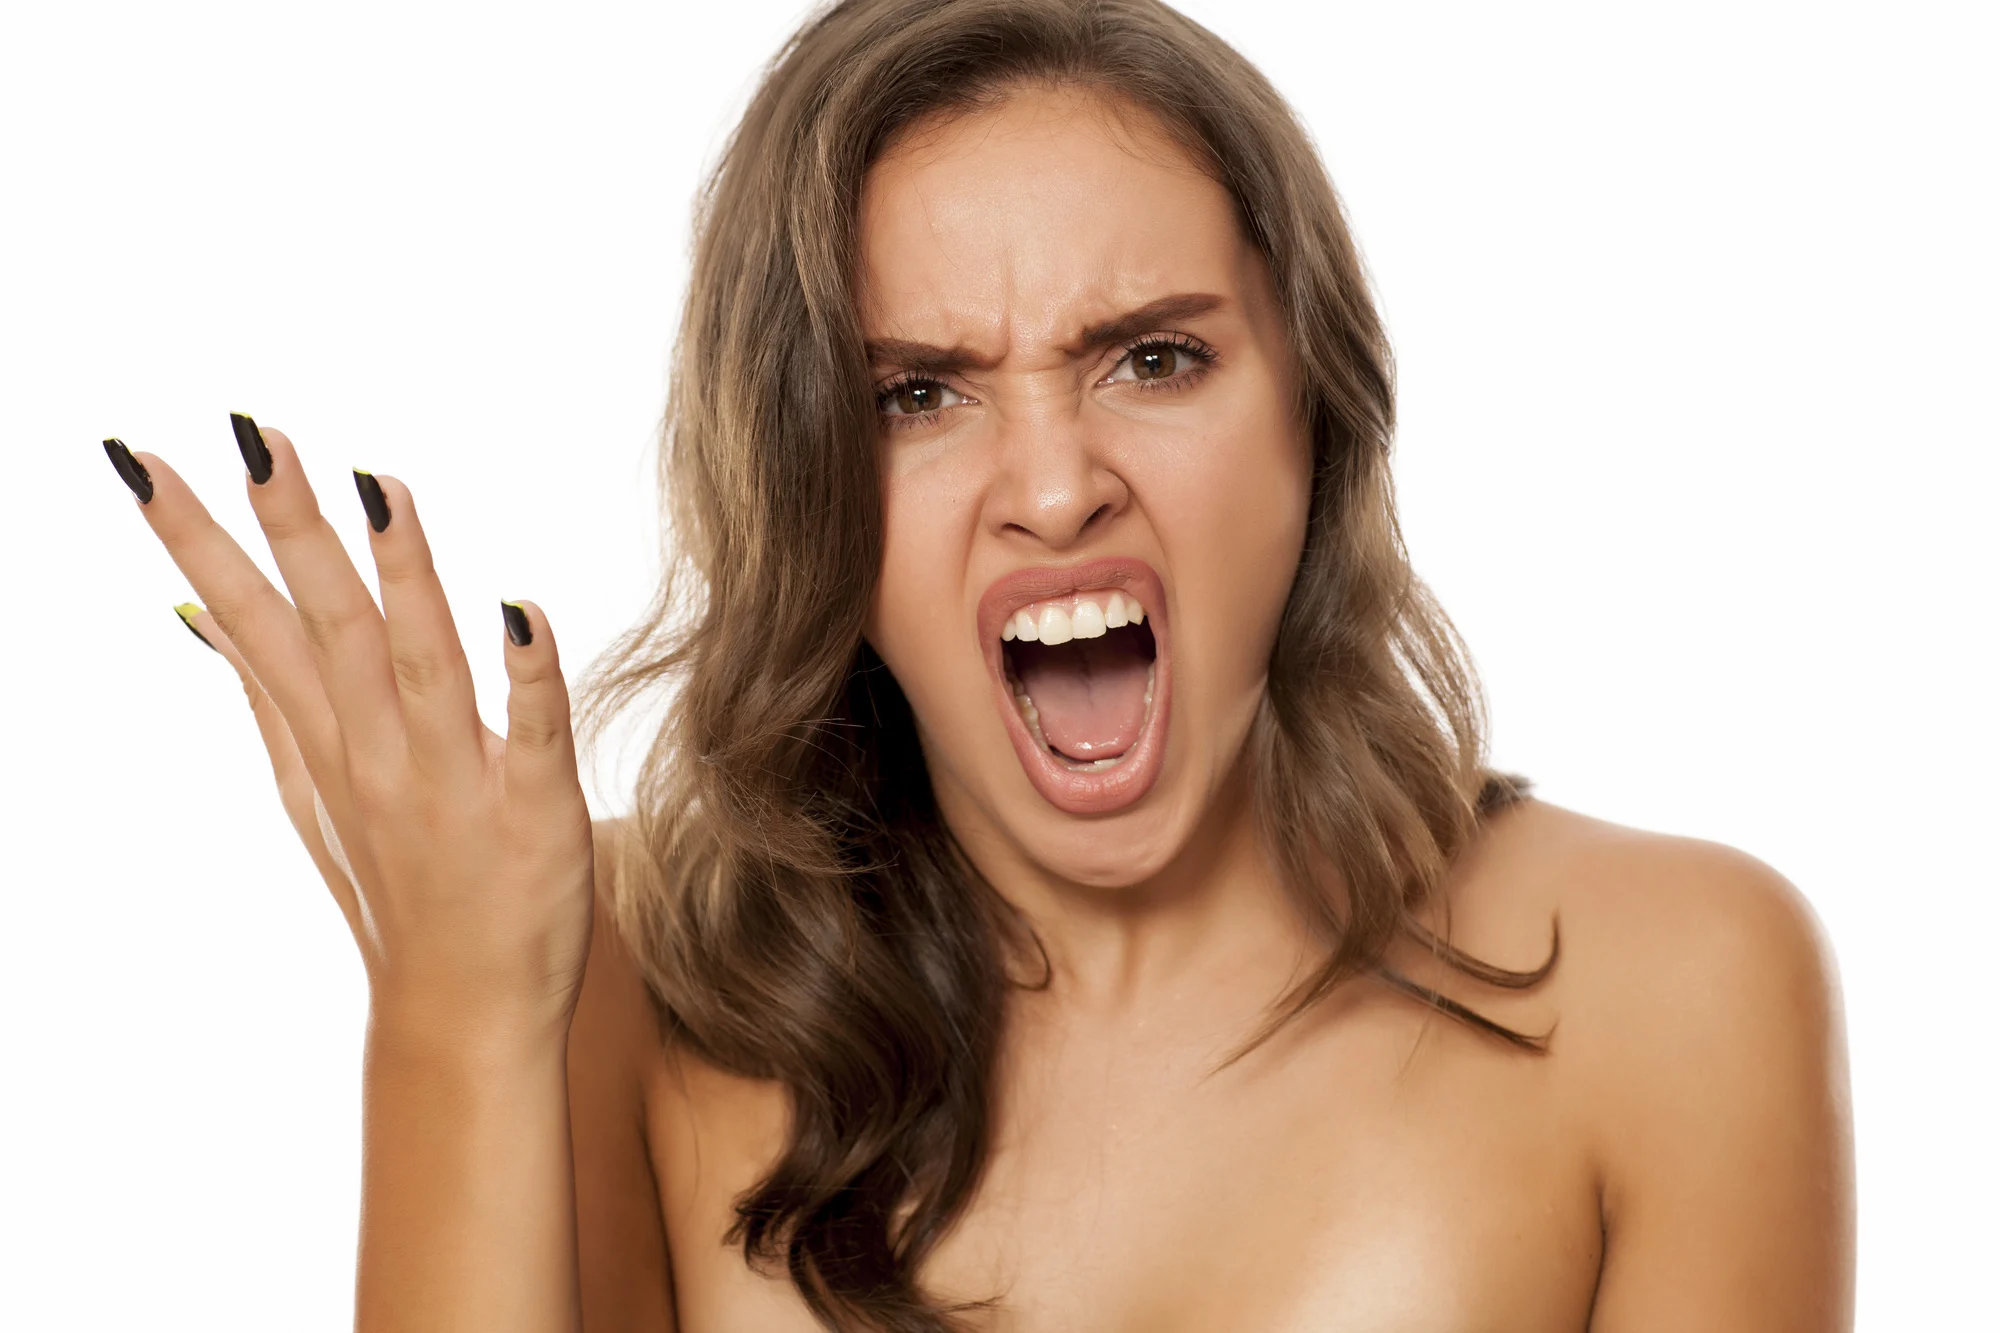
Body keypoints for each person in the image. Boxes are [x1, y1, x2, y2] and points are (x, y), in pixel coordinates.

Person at [100, 0, 1854, 1327]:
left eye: (1153, 359)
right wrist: (459, 1019)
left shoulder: (1676, 983)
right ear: (807, 492)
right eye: (916, 394)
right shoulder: (613, 969)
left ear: (1313, 416)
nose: (1053, 484)